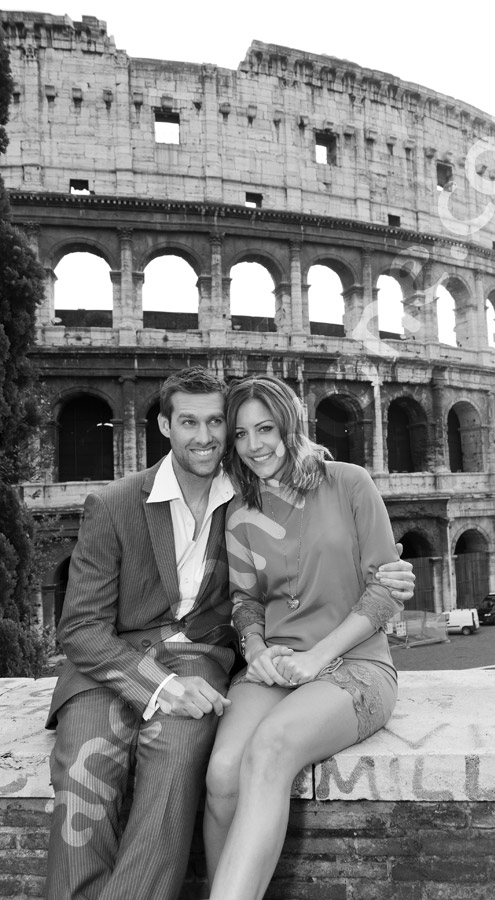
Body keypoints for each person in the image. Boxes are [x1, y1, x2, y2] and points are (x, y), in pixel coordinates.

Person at [44, 365, 415, 900]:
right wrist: (239, 655)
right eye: (233, 431)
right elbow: (84, 626)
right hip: (135, 662)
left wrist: (383, 579)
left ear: (287, 424)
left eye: (223, 424)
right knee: (120, 771)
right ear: (164, 426)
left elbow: (371, 576)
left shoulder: (296, 488)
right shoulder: (158, 504)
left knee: (200, 758)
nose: (221, 439)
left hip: (268, 661)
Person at [203, 375, 408, 900]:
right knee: (223, 772)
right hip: (276, 666)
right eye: (241, 435)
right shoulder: (238, 514)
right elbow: (246, 602)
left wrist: (318, 656)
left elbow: (385, 589)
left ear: (291, 424)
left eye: (265, 428)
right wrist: (255, 650)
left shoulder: (349, 483)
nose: (254, 446)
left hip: (355, 665)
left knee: (271, 748)